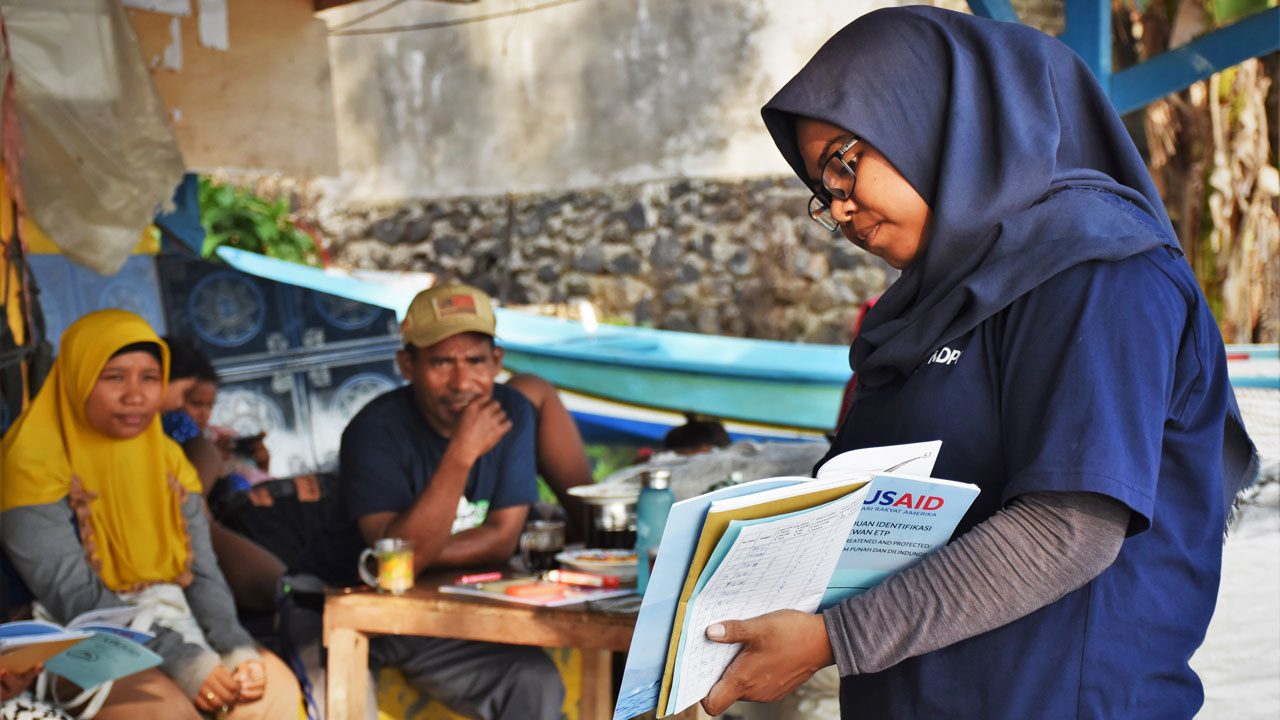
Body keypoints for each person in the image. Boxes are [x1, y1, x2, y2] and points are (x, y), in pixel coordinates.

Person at [698, 7, 1258, 719]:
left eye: (843, 164)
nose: (838, 209)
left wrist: (833, 638)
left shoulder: (1100, 275)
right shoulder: (926, 309)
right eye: (822, 189)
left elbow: (1069, 529)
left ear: (938, 118)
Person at [0, 310, 301, 720]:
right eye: (114, 377)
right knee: (161, 710)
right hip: (70, 634)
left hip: (170, 618)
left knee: (273, 692)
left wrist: (236, 649)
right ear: (78, 378)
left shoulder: (169, 459)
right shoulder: (30, 462)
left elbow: (204, 573)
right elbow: (72, 595)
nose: (135, 395)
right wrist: (185, 661)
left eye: (149, 378)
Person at [288, 284, 563, 720]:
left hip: (432, 614)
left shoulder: (512, 411)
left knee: (533, 681)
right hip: (336, 605)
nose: (461, 381)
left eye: (475, 361)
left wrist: (409, 554)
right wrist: (461, 454)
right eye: (441, 362)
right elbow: (395, 564)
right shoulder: (373, 430)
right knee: (345, 707)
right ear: (407, 365)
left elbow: (500, 539)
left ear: (497, 362)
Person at [160, 337, 285, 615]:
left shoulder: (210, 438)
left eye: (209, 405)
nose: (200, 413)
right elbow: (203, 466)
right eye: (190, 399)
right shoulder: (179, 425)